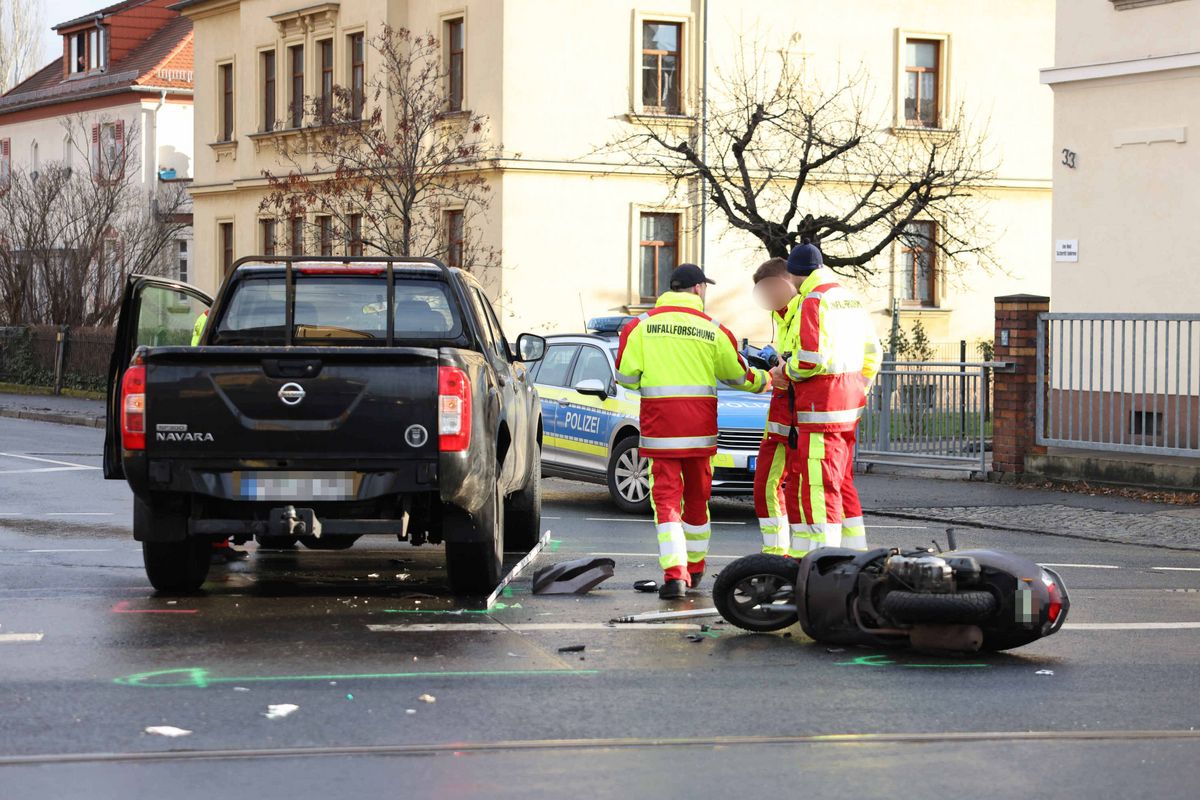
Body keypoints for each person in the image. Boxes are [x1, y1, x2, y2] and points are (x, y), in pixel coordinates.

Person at [615, 264, 769, 599]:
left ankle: (675, 577)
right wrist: (766, 380)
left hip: (661, 431)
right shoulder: (713, 329)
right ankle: (695, 569)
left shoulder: (639, 326)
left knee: (666, 503)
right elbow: (738, 376)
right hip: (700, 432)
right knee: (697, 500)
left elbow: (625, 377)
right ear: (698, 288)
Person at [772, 239, 881, 555]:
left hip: (821, 408)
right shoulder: (848, 298)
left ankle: (825, 559)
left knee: (819, 486)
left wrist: (785, 370)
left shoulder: (813, 300)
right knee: (842, 481)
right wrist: (859, 389)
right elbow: (873, 352)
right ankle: (855, 554)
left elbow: (809, 360)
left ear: (795, 274)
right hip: (848, 406)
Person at [749, 257, 800, 555]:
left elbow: (812, 364)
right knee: (765, 488)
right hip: (782, 415)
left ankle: (797, 558)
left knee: (801, 493)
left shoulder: (805, 311)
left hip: (800, 418)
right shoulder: (782, 316)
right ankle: (776, 556)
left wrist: (785, 370)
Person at [191, 307, 248, 562]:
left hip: (212, 388)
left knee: (219, 477)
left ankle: (217, 542)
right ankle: (217, 543)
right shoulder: (233, 317)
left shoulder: (207, 316)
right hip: (223, 387)